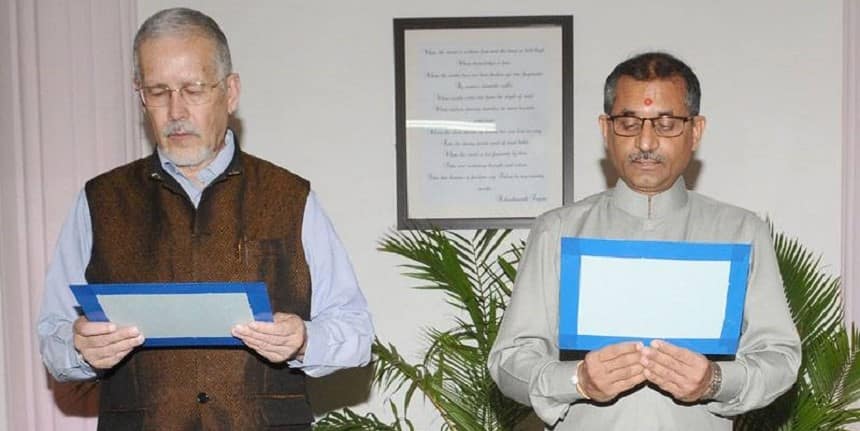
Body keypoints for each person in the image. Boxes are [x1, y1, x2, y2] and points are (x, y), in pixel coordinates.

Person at [36, 7, 373, 430]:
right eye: (158, 92)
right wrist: (79, 348)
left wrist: (304, 340)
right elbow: (53, 335)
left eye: (193, 89)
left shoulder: (292, 197)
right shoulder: (98, 201)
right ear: (141, 96)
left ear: (230, 92)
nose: (176, 110)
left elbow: (357, 334)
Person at [487, 52, 801, 430]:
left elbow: (780, 358)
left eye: (666, 124)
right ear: (606, 129)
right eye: (629, 123)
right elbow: (508, 361)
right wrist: (579, 380)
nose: (646, 142)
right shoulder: (558, 231)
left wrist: (714, 381)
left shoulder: (740, 231)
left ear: (695, 130)